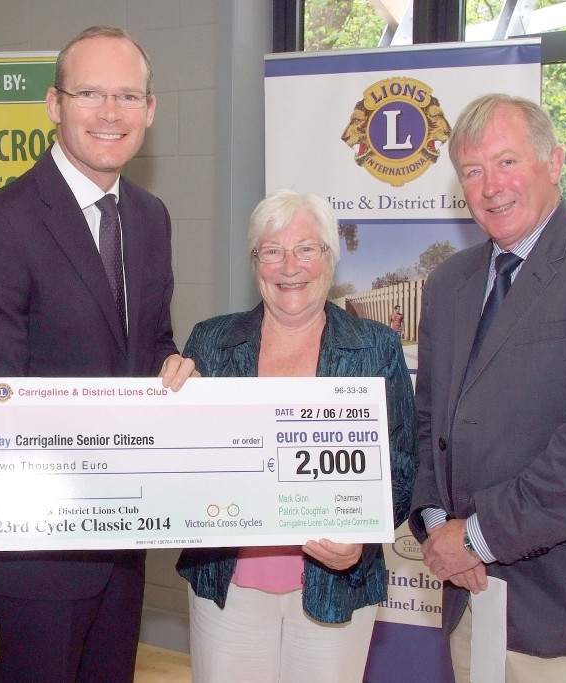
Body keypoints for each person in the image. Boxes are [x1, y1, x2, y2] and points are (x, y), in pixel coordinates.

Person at [0, 25, 195, 682]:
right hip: (40, 558)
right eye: (90, 93)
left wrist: (172, 370)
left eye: (126, 95)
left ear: (150, 110)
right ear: (55, 104)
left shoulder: (150, 218)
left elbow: (149, 343)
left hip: (123, 548)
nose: (110, 113)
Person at [409, 93, 566, 682]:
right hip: (466, 590)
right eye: (472, 171)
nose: (490, 185)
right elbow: (429, 421)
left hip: (559, 602)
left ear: (554, 163)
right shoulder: (451, 282)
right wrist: (434, 522)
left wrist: (476, 536)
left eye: (506, 162)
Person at [176, 189, 418, 683]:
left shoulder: (375, 348)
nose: (290, 266)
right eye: (273, 251)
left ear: (329, 258)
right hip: (229, 587)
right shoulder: (211, 342)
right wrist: (167, 406)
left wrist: (363, 539)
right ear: (255, 262)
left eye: (306, 248)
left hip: (334, 584)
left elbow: (402, 466)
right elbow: (183, 466)